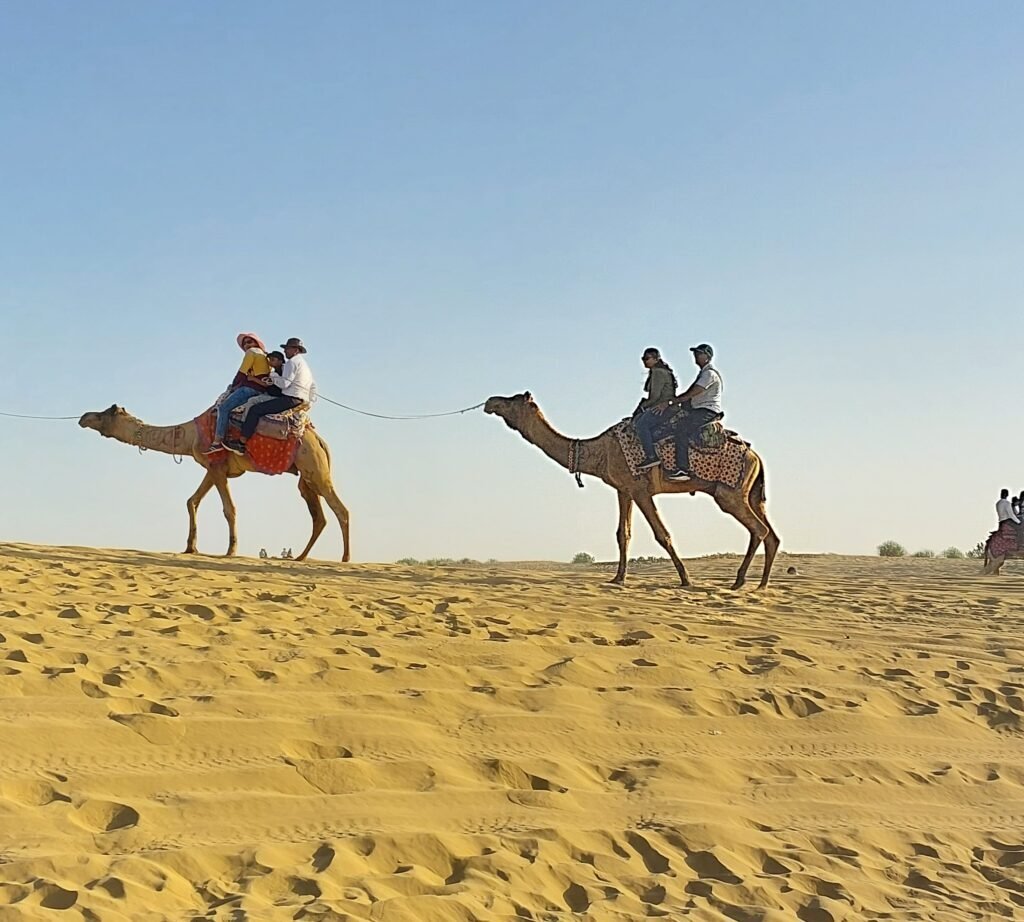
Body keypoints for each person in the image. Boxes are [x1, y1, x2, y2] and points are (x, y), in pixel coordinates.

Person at [224, 337, 316, 455]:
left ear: (296, 350)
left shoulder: (291, 363)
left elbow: (284, 384)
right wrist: (310, 401)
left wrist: (273, 376)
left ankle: (241, 442)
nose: (285, 351)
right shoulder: (304, 365)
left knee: (255, 409)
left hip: (290, 399)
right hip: (299, 399)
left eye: (287, 348)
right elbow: (313, 385)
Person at [666, 343, 724, 482]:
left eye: (699, 353)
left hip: (706, 411)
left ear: (707, 357)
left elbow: (694, 392)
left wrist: (675, 401)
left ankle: (683, 469)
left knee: (681, 428)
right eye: (695, 353)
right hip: (699, 409)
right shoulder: (703, 373)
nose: (696, 356)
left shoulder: (709, 374)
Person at [206, 333, 271, 453]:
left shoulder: (252, 352)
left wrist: (233, 386)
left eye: (249, 342)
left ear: (256, 343)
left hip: (249, 389)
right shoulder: (265, 356)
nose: (247, 345)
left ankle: (217, 441)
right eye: (245, 343)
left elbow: (242, 373)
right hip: (261, 391)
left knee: (223, 408)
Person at [633, 348, 679, 471]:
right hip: (664, 406)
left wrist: (642, 407)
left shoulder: (658, 372)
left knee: (641, 424)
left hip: (663, 407)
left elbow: (654, 397)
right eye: (643, 358)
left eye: (647, 358)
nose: (644, 361)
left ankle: (651, 456)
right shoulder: (658, 371)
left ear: (655, 359)